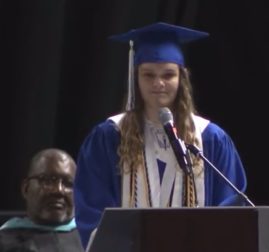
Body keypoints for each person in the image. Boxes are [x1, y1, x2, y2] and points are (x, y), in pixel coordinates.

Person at [74, 22, 248, 249]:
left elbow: (231, 205)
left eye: (168, 74)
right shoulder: (109, 137)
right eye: (148, 75)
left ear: (181, 78)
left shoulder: (210, 139)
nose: (158, 83)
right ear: (135, 78)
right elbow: (92, 204)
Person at [0, 148, 84, 251]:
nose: (58, 190)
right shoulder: (4, 241)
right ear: (26, 188)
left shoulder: (91, 238)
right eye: (47, 181)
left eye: (68, 183)